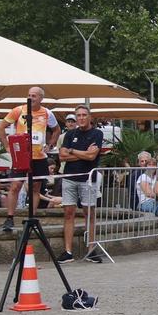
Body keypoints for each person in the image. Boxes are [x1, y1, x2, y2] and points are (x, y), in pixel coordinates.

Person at [0, 86, 60, 218]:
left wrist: (50, 145)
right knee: (15, 186)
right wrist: (7, 147)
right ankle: (10, 217)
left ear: (41, 98)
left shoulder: (47, 113)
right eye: (29, 95)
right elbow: (0, 127)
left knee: (36, 188)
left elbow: (56, 130)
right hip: (22, 155)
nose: (30, 98)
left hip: (39, 156)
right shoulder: (19, 110)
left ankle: (32, 217)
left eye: (34, 96)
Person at [54, 103, 104, 265]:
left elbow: (91, 157)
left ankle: (91, 249)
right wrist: (82, 153)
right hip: (69, 177)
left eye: (84, 115)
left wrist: (73, 151)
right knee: (68, 213)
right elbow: (61, 156)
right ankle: (68, 251)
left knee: (89, 213)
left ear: (89, 117)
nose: (81, 118)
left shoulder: (97, 133)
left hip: (88, 179)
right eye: (79, 115)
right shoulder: (69, 134)